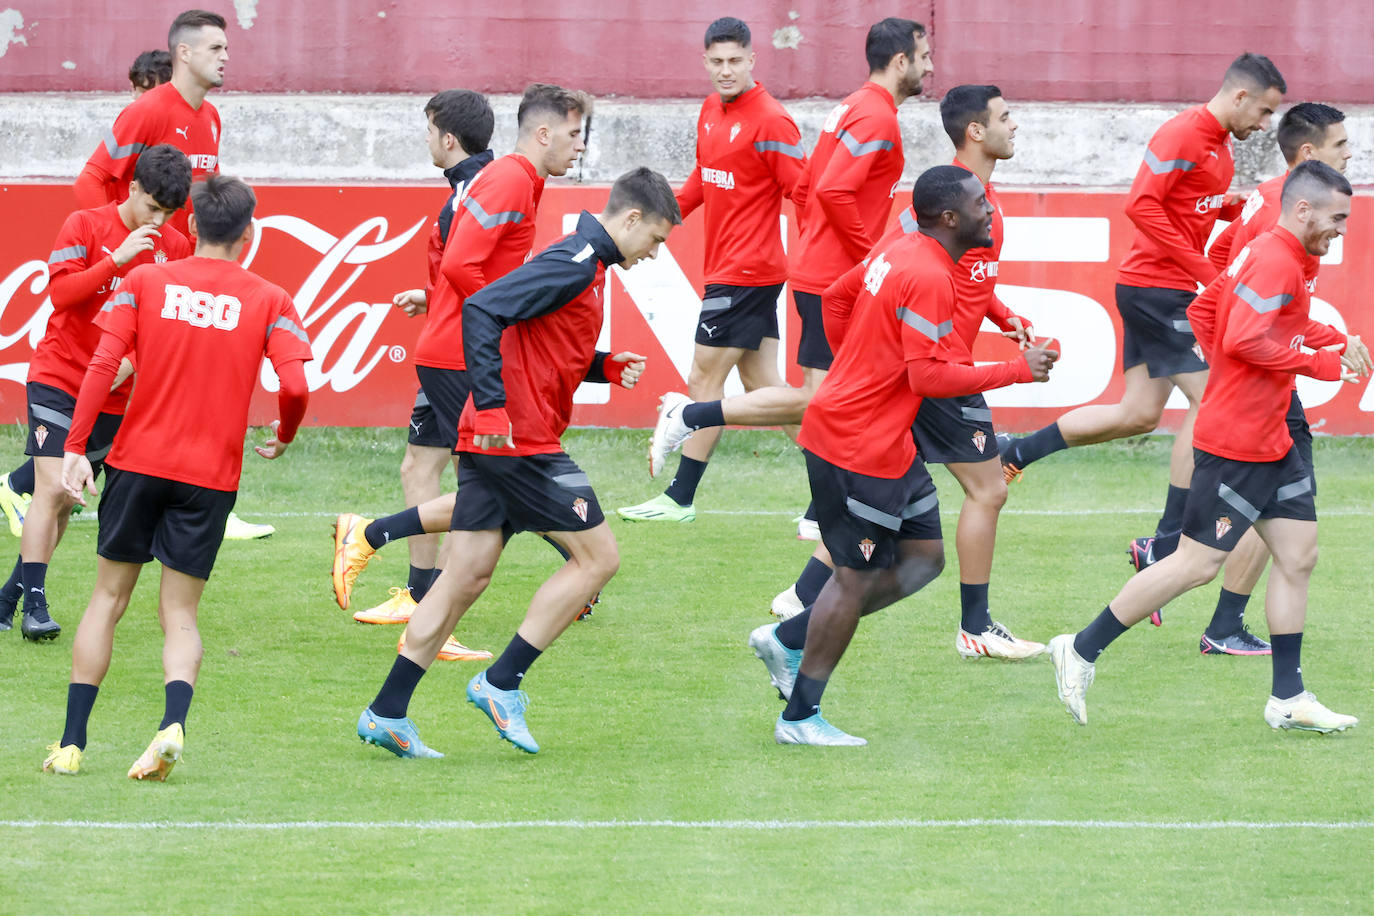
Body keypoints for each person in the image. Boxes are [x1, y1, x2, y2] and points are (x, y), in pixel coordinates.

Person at [355, 167, 679, 758]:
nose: (655, 253)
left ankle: (386, 712)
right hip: (519, 442)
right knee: (598, 558)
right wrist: (497, 408)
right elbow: (483, 309)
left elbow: (541, 340)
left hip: (501, 438)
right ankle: (502, 683)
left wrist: (601, 365)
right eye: (655, 239)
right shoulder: (577, 259)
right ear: (631, 219)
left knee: (464, 577)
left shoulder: (590, 264)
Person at [1049, 160, 1368, 734]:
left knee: (1298, 556)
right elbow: (1247, 336)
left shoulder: (1278, 252)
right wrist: (1316, 362)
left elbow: (1208, 312)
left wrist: (1333, 341)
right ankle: (1080, 648)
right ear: (1303, 209)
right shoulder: (1275, 259)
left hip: (1273, 435)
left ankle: (1288, 698)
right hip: (1239, 441)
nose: (1342, 229)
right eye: (1337, 217)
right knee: (1197, 564)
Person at [744, 166, 1055, 746]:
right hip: (858, 444)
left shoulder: (904, 249)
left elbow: (839, 299)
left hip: (883, 440)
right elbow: (930, 375)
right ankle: (800, 717)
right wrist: (1019, 370)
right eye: (981, 204)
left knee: (923, 558)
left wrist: (859, 369)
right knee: (853, 578)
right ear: (950, 218)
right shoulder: (930, 274)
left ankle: (787, 638)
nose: (991, 212)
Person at [42, 174, 313, 778]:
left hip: (137, 465)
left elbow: (103, 364)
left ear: (188, 226)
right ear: (249, 233)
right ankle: (172, 725)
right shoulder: (271, 299)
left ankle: (71, 746)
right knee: (181, 615)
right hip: (209, 477)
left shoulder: (143, 280)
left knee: (106, 600)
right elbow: (295, 384)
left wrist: (77, 446)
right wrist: (287, 433)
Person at [999, 54, 1286, 590]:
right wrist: (1204, 270)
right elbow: (1141, 205)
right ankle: (1167, 538)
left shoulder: (1218, 145)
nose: (1265, 125)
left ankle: (1015, 453)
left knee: (1137, 414)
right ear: (1240, 96)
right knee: (1212, 401)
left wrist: (1230, 208)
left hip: (1161, 287)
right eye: (1265, 112)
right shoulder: (1182, 132)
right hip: (1158, 290)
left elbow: (1185, 205)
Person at [331, 85, 588, 631]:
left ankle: (418, 596)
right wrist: (499, 313)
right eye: (573, 134)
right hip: (461, 352)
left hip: (451, 344)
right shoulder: (510, 178)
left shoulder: (504, 178)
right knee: (498, 483)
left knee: (472, 480)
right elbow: (464, 269)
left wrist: (452, 301)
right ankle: (384, 550)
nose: (580, 146)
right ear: (544, 134)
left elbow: (465, 268)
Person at [1140, 102, 1355, 653]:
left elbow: (1217, 274)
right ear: (1309, 156)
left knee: (1287, 531)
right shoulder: (1283, 227)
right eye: (1341, 147)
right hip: (1264, 390)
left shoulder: (1269, 203)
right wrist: (1252, 364)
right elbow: (1233, 316)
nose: (1349, 155)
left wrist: (1314, 339)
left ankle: (1221, 618)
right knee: (1253, 531)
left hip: (1263, 379)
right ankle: (1191, 611)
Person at [616, 16, 806, 523]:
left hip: (747, 272)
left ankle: (680, 497)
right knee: (768, 389)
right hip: (729, 268)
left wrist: (820, 262)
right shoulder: (709, 110)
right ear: (705, 62)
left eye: (734, 61)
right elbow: (704, 177)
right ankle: (839, 487)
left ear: (752, 60)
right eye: (716, 62)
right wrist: (662, 219)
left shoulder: (772, 121)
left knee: (703, 377)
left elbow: (805, 193)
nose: (725, 71)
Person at [0, 145, 193, 642]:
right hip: (60, 377)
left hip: (112, 393)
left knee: (64, 501)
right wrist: (117, 260)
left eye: (169, 212)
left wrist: (128, 368)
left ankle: (9, 598)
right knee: (51, 488)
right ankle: (36, 610)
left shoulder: (176, 247)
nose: (159, 219)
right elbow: (61, 295)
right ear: (132, 188)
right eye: (152, 207)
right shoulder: (84, 226)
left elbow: (166, 328)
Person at [347, 89, 496, 663]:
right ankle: (418, 594)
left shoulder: (470, 196)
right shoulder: (470, 190)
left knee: (485, 484)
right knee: (421, 465)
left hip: (461, 355)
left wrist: (447, 305)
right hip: (444, 348)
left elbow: (479, 277)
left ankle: (384, 551)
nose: (427, 139)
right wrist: (433, 297)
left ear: (448, 138)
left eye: (429, 130)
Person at [783, 16, 931, 539]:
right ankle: (695, 416)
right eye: (924, 57)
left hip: (821, 273)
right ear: (900, 62)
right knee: (825, 399)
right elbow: (832, 192)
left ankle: (822, 509)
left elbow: (805, 189)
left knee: (832, 396)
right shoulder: (876, 118)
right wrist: (873, 262)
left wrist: (817, 247)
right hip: (836, 281)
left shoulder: (849, 107)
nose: (929, 67)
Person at [73, 9, 228, 239]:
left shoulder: (212, 116)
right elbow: (88, 181)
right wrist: (115, 244)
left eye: (226, 49)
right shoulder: (147, 110)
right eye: (215, 48)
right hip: (146, 268)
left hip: (187, 267)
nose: (225, 57)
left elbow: (208, 195)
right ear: (184, 53)